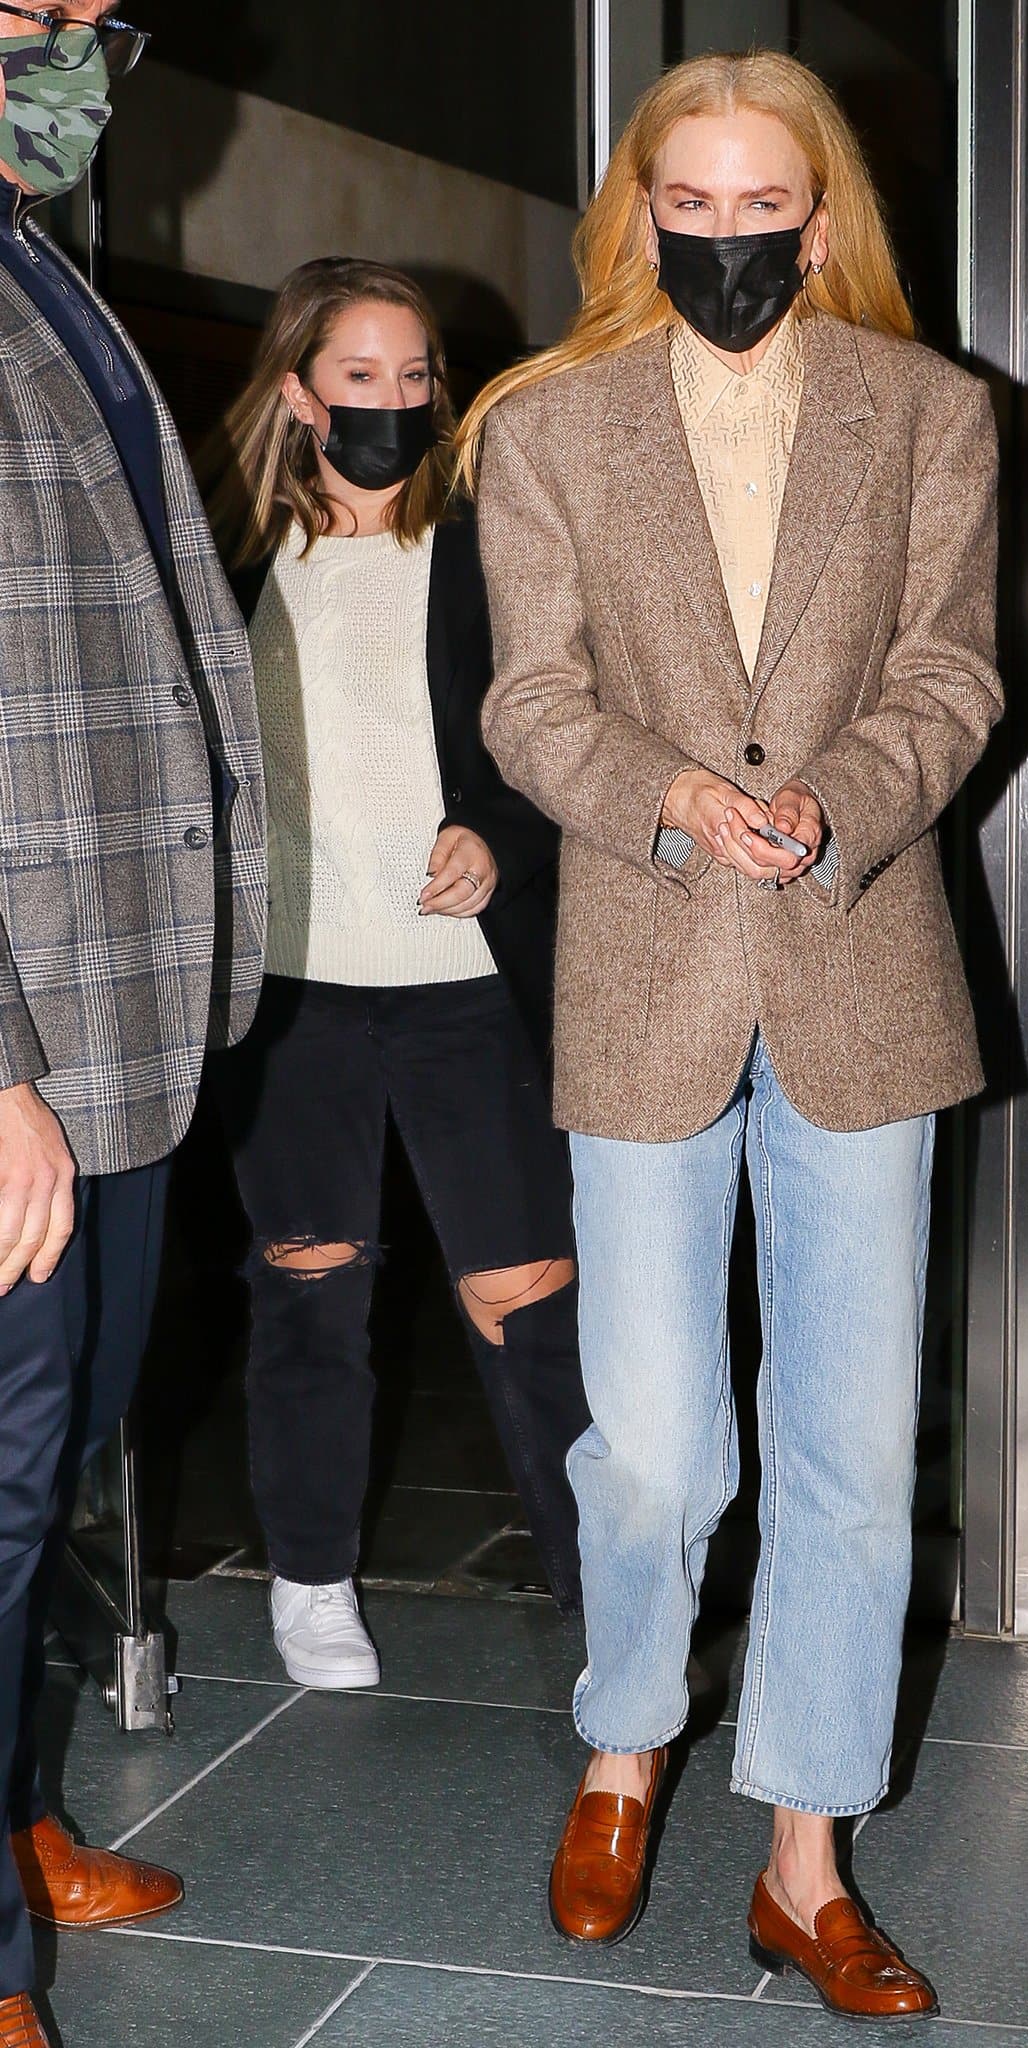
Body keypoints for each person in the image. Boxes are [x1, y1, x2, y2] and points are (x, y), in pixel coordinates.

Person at [461, 48, 1001, 2024]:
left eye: (754, 205)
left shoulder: (936, 413)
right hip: (646, 963)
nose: (719, 238)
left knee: (851, 1453)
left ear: (819, 213)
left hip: (863, 968)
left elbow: (956, 668)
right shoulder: (548, 428)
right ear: (636, 215)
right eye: (680, 206)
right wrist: (680, 795)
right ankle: (626, 1735)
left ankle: (804, 1855)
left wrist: (838, 802)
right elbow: (529, 704)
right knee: (660, 1444)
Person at [201, 259, 588, 1689]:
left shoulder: (490, 548)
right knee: (311, 1293)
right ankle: (309, 1582)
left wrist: (496, 832)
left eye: (417, 375)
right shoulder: (222, 554)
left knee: (528, 1293)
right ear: (298, 392)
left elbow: (566, 736)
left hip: (466, 991)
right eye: (361, 377)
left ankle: (598, 1585)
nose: (396, 401)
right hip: (291, 995)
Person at [0, 7, 267, 2043]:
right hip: (23, 1041)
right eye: (29, 20)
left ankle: (9, 1818)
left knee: (64, 1450)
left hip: (122, 1010)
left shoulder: (36, 258)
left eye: (101, 24)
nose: (79, 61)